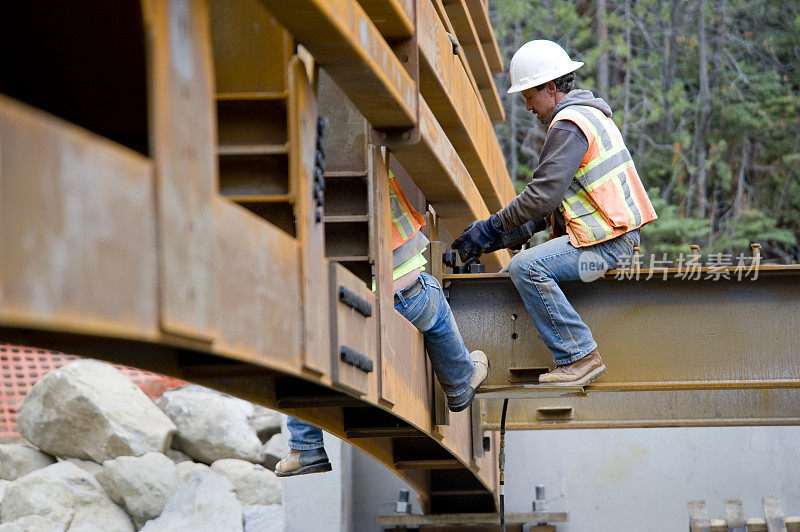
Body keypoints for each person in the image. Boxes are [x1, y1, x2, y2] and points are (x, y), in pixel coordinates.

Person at [452, 40, 657, 386]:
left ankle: (580, 356)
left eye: (529, 96)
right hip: (607, 236)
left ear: (550, 87)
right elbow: (555, 202)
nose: (528, 106)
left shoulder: (569, 123)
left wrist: (491, 227)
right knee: (510, 276)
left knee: (526, 266)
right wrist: (503, 235)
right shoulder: (587, 116)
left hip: (607, 241)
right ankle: (575, 353)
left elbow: (543, 196)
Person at [276, 171, 489, 477]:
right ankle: (459, 381)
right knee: (435, 302)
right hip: (408, 299)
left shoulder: (302, 179)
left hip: (341, 316)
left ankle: (305, 447)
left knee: (305, 343)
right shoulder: (372, 162)